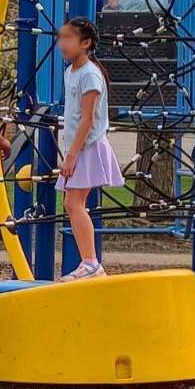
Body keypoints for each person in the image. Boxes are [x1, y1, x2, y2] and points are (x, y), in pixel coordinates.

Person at [55, 16, 119, 281]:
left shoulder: (90, 74)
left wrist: (71, 156)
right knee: (73, 204)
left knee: (74, 203)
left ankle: (91, 262)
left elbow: (88, 118)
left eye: (68, 38)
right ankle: (91, 263)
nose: (62, 43)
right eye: (60, 37)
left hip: (87, 147)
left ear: (86, 43)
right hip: (78, 147)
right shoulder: (72, 71)